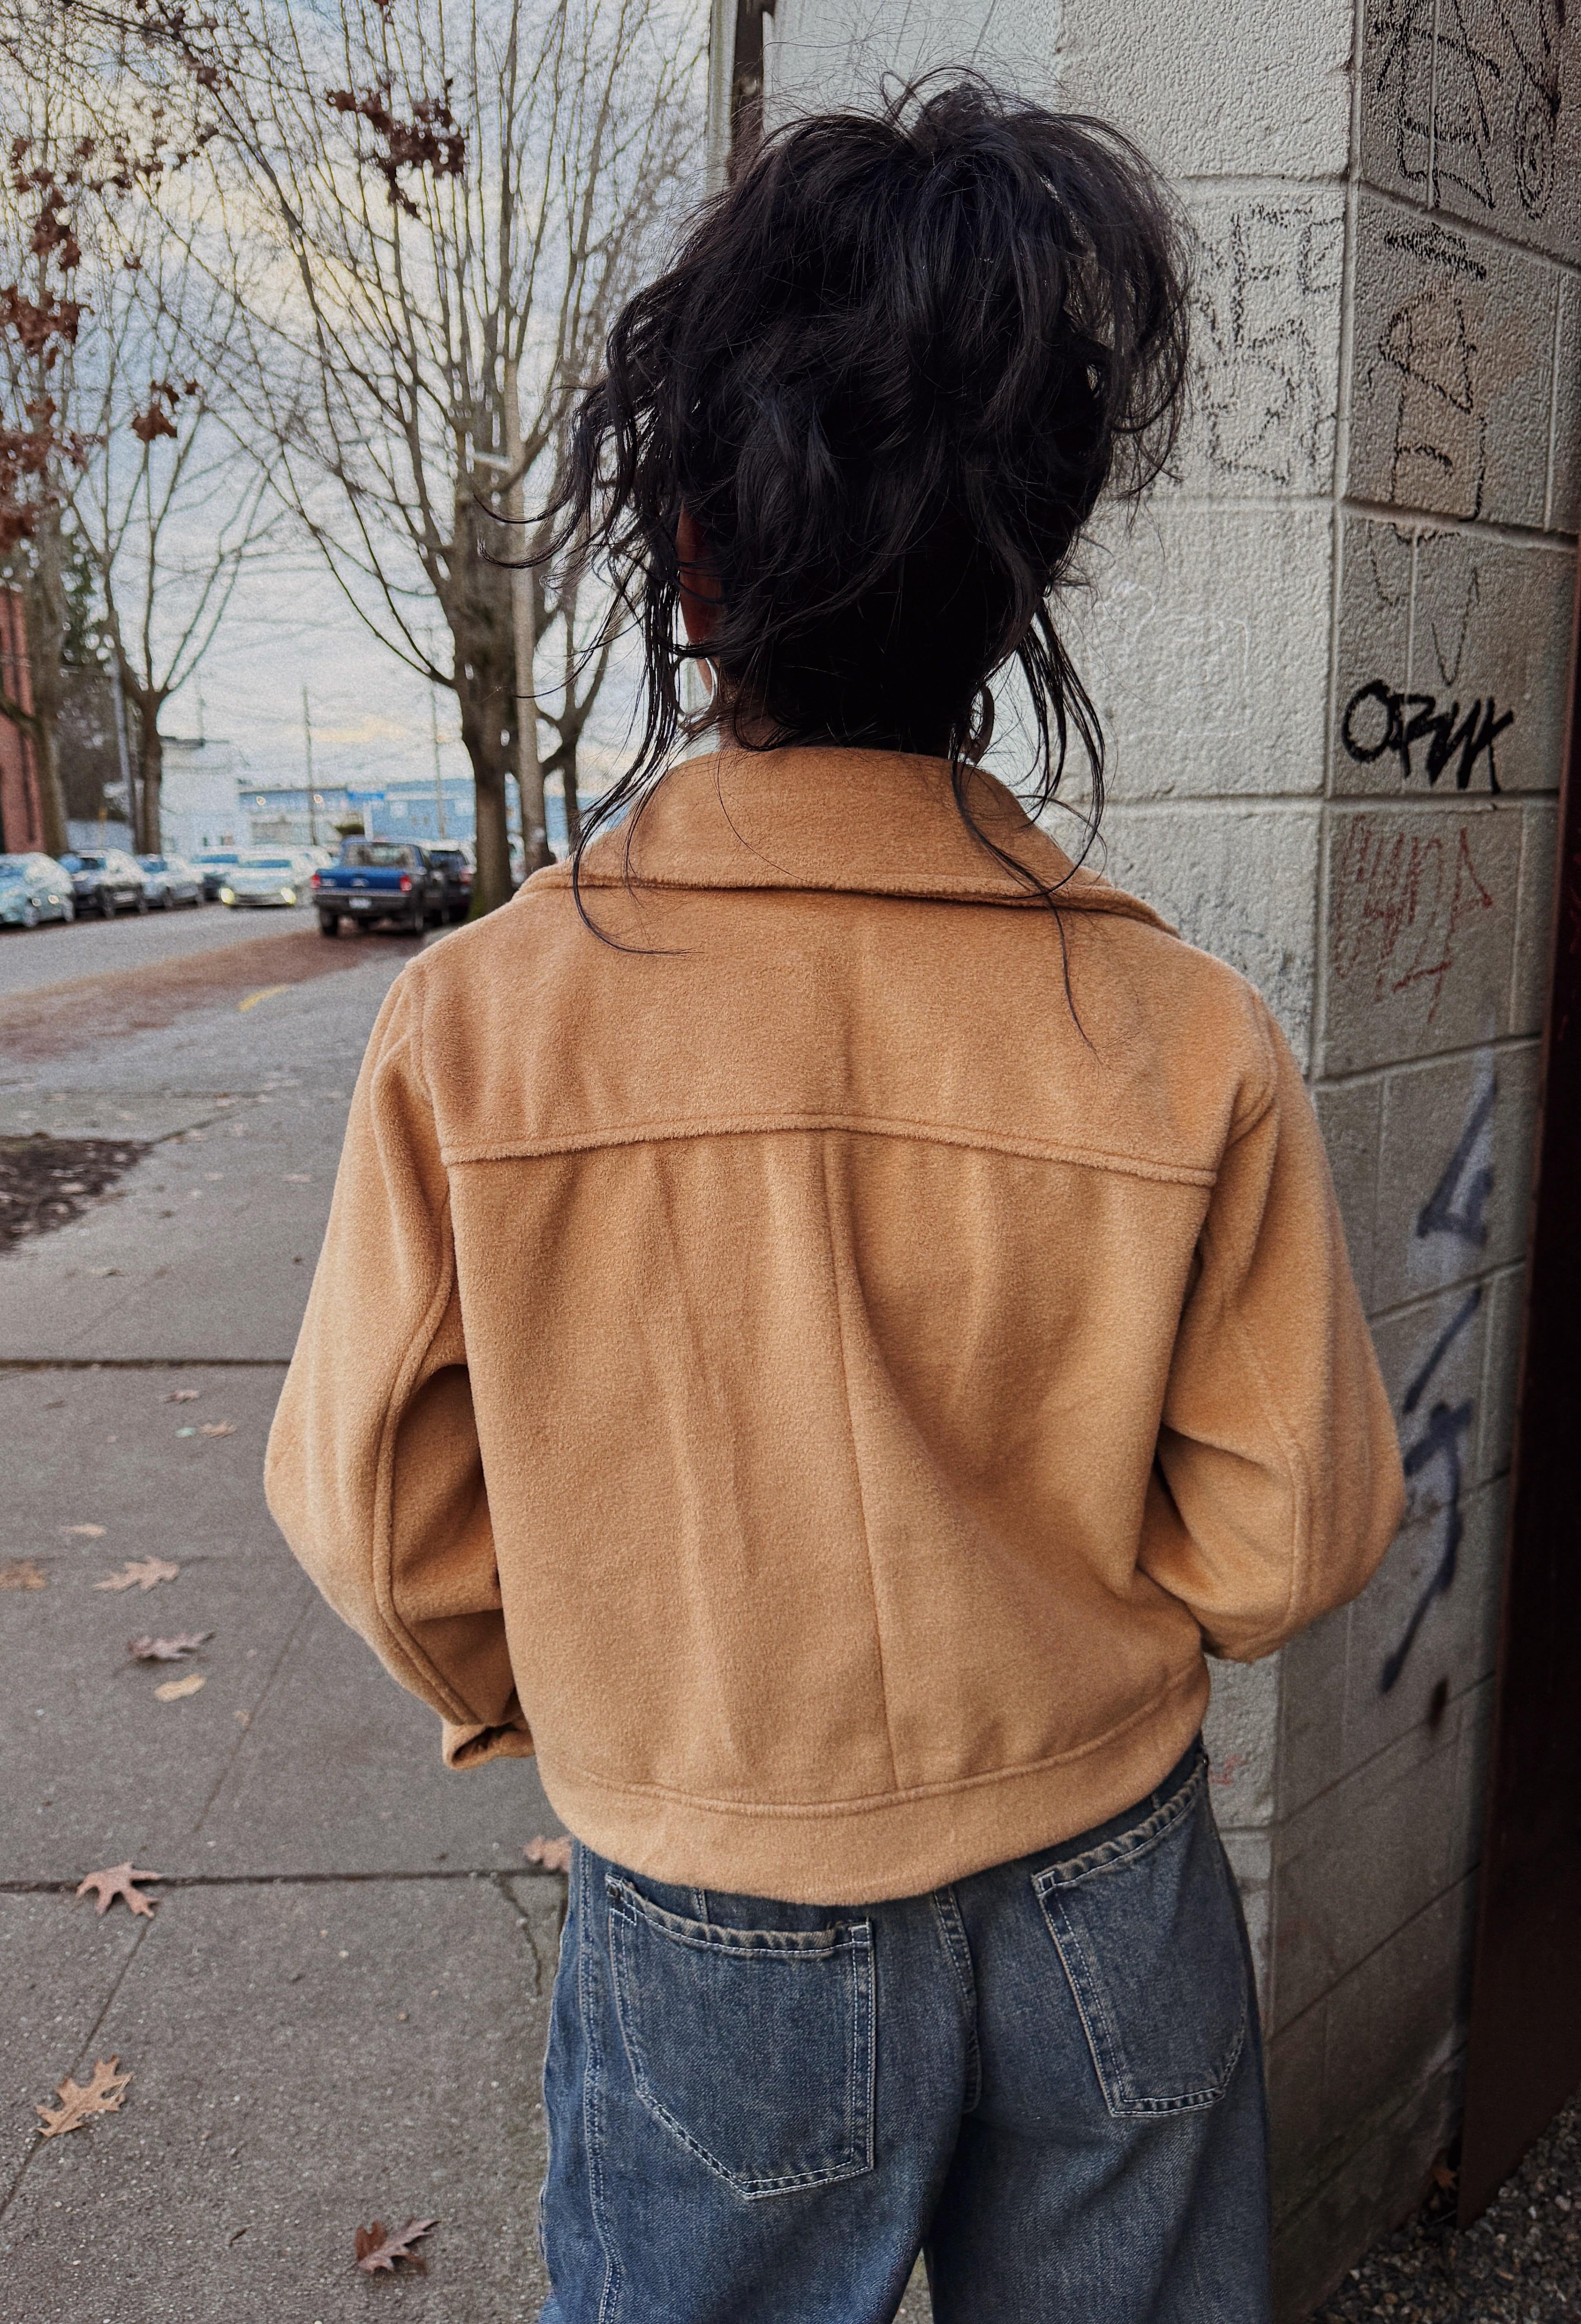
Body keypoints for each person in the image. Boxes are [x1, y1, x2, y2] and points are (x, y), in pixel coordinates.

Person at [266, 80, 1404, 2324]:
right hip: (1110, 1883)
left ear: (693, 562)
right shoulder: (1181, 1030)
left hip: (711, 1898)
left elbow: (382, 1525)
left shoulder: (484, 1029)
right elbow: (1295, 1531)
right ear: (1022, 580)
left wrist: (613, 1697)